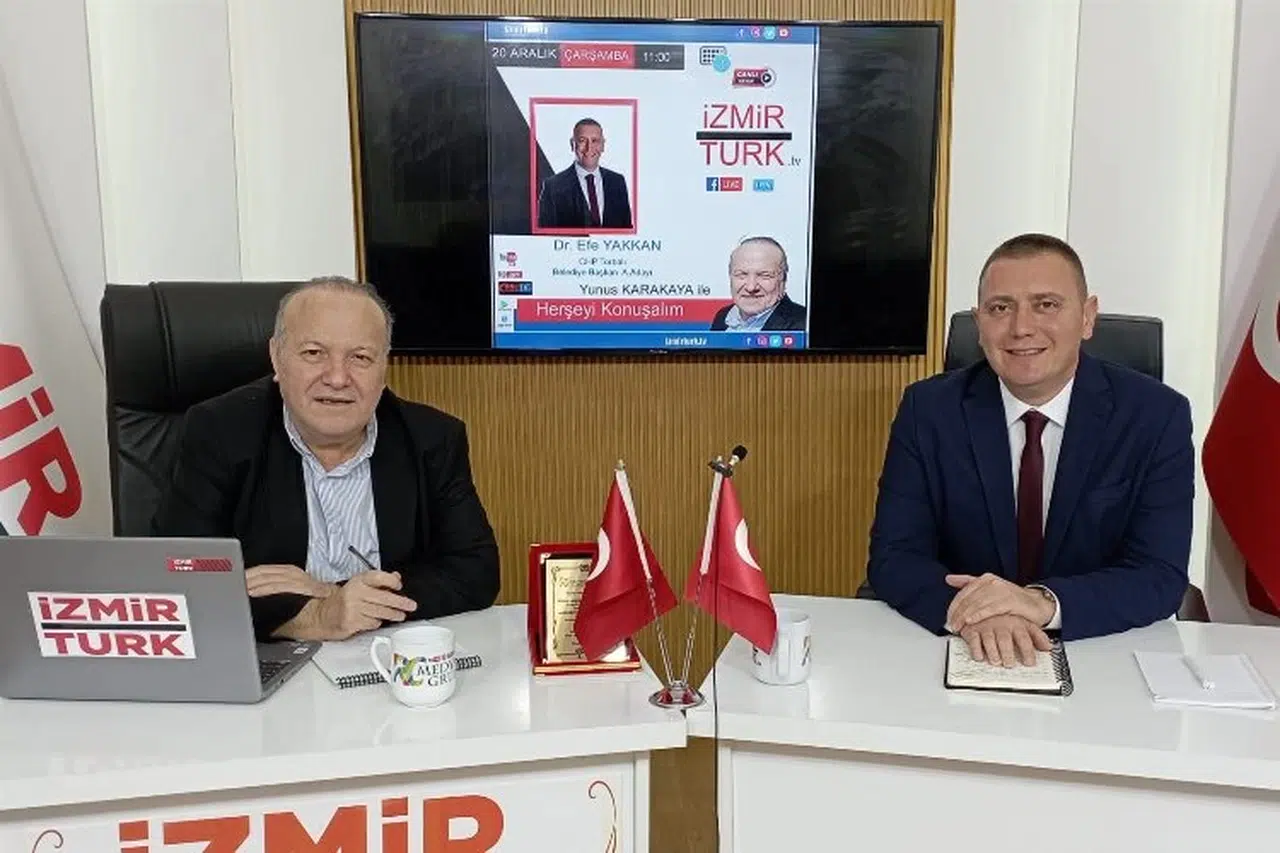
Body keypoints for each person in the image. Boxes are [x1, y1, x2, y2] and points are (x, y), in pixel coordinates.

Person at [866, 233, 1193, 666]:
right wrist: (977, 613)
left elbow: (1159, 573)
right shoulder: (927, 411)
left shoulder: (1156, 416)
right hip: (964, 650)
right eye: (1000, 308)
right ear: (978, 322)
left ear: (1088, 317)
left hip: (1100, 652)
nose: (1021, 327)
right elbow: (895, 556)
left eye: (1046, 305)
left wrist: (1040, 604)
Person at [151, 277, 500, 642]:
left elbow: (475, 573)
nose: (337, 378)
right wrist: (310, 618)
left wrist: (333, 596)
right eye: (314, 353)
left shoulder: (432, 439)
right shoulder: (220, 431)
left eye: (360, 357)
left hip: (383, 657)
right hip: (269, 659)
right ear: (276, 357)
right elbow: (177, 578)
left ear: (383, 368)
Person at [536, 118, 633, 230]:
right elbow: (545, 235)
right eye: (582, 140)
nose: (589, 148)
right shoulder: (552, 186)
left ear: (603, 145)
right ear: (572, 144)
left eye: (595, 141)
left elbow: (627, 229)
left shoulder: (617, 182)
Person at [710, 237, 807, 331]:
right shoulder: (723, 317)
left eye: (764, 276)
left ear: (783, 280)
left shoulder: (805, 324)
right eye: (742, 275)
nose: (751, 287)